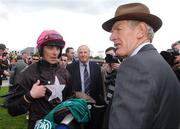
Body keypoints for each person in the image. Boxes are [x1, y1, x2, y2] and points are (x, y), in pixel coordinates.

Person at [102, 2, 180, 129]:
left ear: (141, 31)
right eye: (112, 32)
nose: (112, 37)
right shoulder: (159, 63)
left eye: (118, 29)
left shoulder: (135, 66)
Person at [7, 30, 69, 129]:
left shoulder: (64, 72)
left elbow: (68, 99)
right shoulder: (28, 73)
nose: (55, 52)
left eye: (57, 48)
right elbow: (12, 109)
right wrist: (30, 96)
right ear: (41, 49)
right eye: (50, 47)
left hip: (60, 125)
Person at [65, 45, 105, 129]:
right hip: (77, 104)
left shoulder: (96, 67)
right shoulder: (70, 67)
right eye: (80, 52)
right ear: (77, 54)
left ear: (89, 53)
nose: (83, 54)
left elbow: (99, 86)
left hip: (94, 104)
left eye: (85, 52)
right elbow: (68, 86)